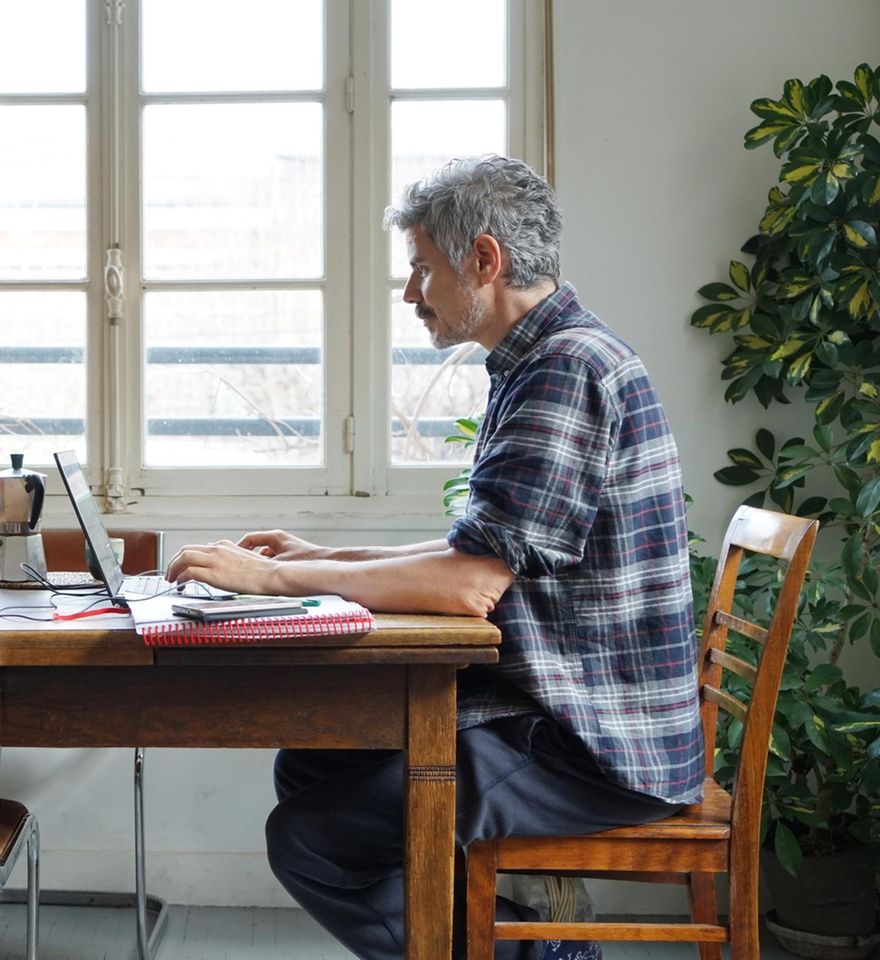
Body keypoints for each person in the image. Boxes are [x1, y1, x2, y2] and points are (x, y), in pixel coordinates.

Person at [165, 155, 703, 960]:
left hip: (591, 744)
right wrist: (329, 552)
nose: (411, 293)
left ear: (484, 260)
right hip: (566, 713)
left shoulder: (566, 371)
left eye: (421, 268)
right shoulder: (543, 360)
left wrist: (275, 579)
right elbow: (483, 548)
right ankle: (496, 941)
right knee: (314, 760)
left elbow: (468, 587)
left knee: (314, 840)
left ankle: (532, 956)